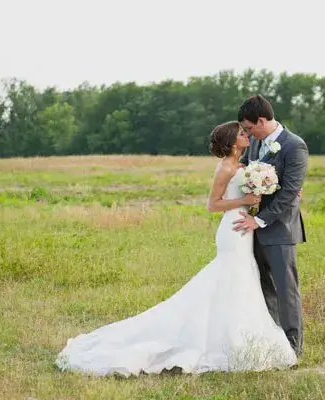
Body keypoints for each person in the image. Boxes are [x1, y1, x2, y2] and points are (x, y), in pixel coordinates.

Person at [54, 121, 298, 377]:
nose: (245, 135)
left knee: (239, 280)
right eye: (240, 133)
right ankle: (226, 341)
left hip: (244, 227)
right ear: (231, 142)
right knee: (231, 278)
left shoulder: (242, 165)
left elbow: (254, 190)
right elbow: (212, 205)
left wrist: (277, 191)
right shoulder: (225, 167)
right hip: (233, 229)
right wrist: (244, 201)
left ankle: (237, 336)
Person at [233, 94, 308, 357]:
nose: (248, 133)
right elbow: (243, 171)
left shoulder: (294, 146)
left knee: (286, 290)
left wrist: (260, 219)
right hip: (251, 229)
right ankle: (273, 340)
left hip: (279, 230)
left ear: (262, 120)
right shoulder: (254, 143)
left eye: (250, 127)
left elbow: (289, 193)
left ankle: (293, 348)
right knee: (263, 287)